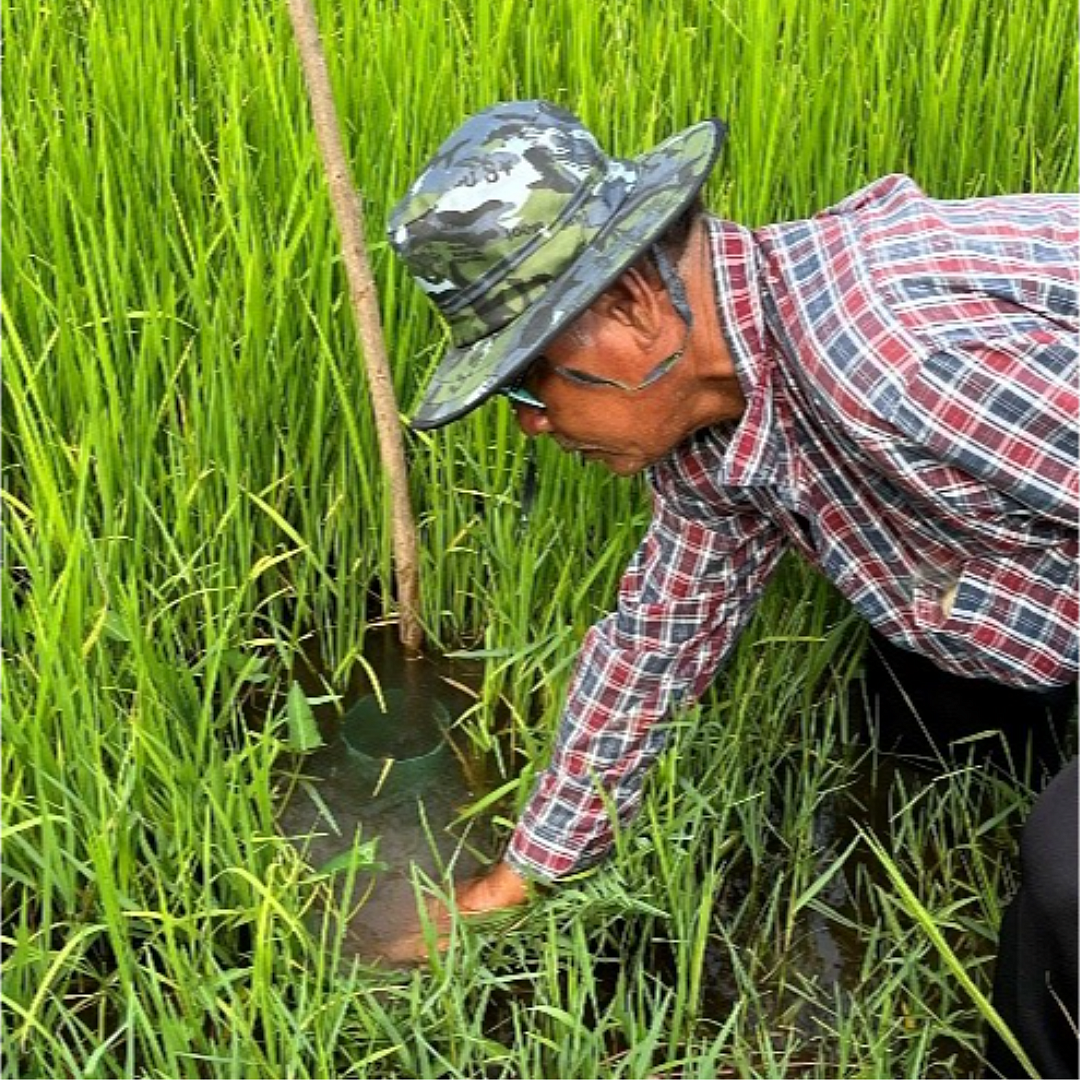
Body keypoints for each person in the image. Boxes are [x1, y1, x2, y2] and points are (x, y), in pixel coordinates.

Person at [385, 100, 1078, 1077]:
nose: (531, 421)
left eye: (530, 379)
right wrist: (523, 875)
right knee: (917, 706)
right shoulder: (716, 424)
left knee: (1067, 872)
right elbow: (656, 646)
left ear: (633, 305)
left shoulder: (890, 351)